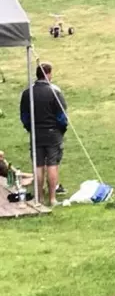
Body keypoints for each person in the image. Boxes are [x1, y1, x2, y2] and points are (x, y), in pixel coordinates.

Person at [19, 62, 68, 206]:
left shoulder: (27, 93)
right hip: (53, 133)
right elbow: (62, 115)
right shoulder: (54, 91)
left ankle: (39, 198)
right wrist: (61, 129)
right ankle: (52, 198)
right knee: (52, 164)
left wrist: (30, 128)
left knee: (38, 165)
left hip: (36, 133)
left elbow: (24, 115)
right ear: (48, 74)